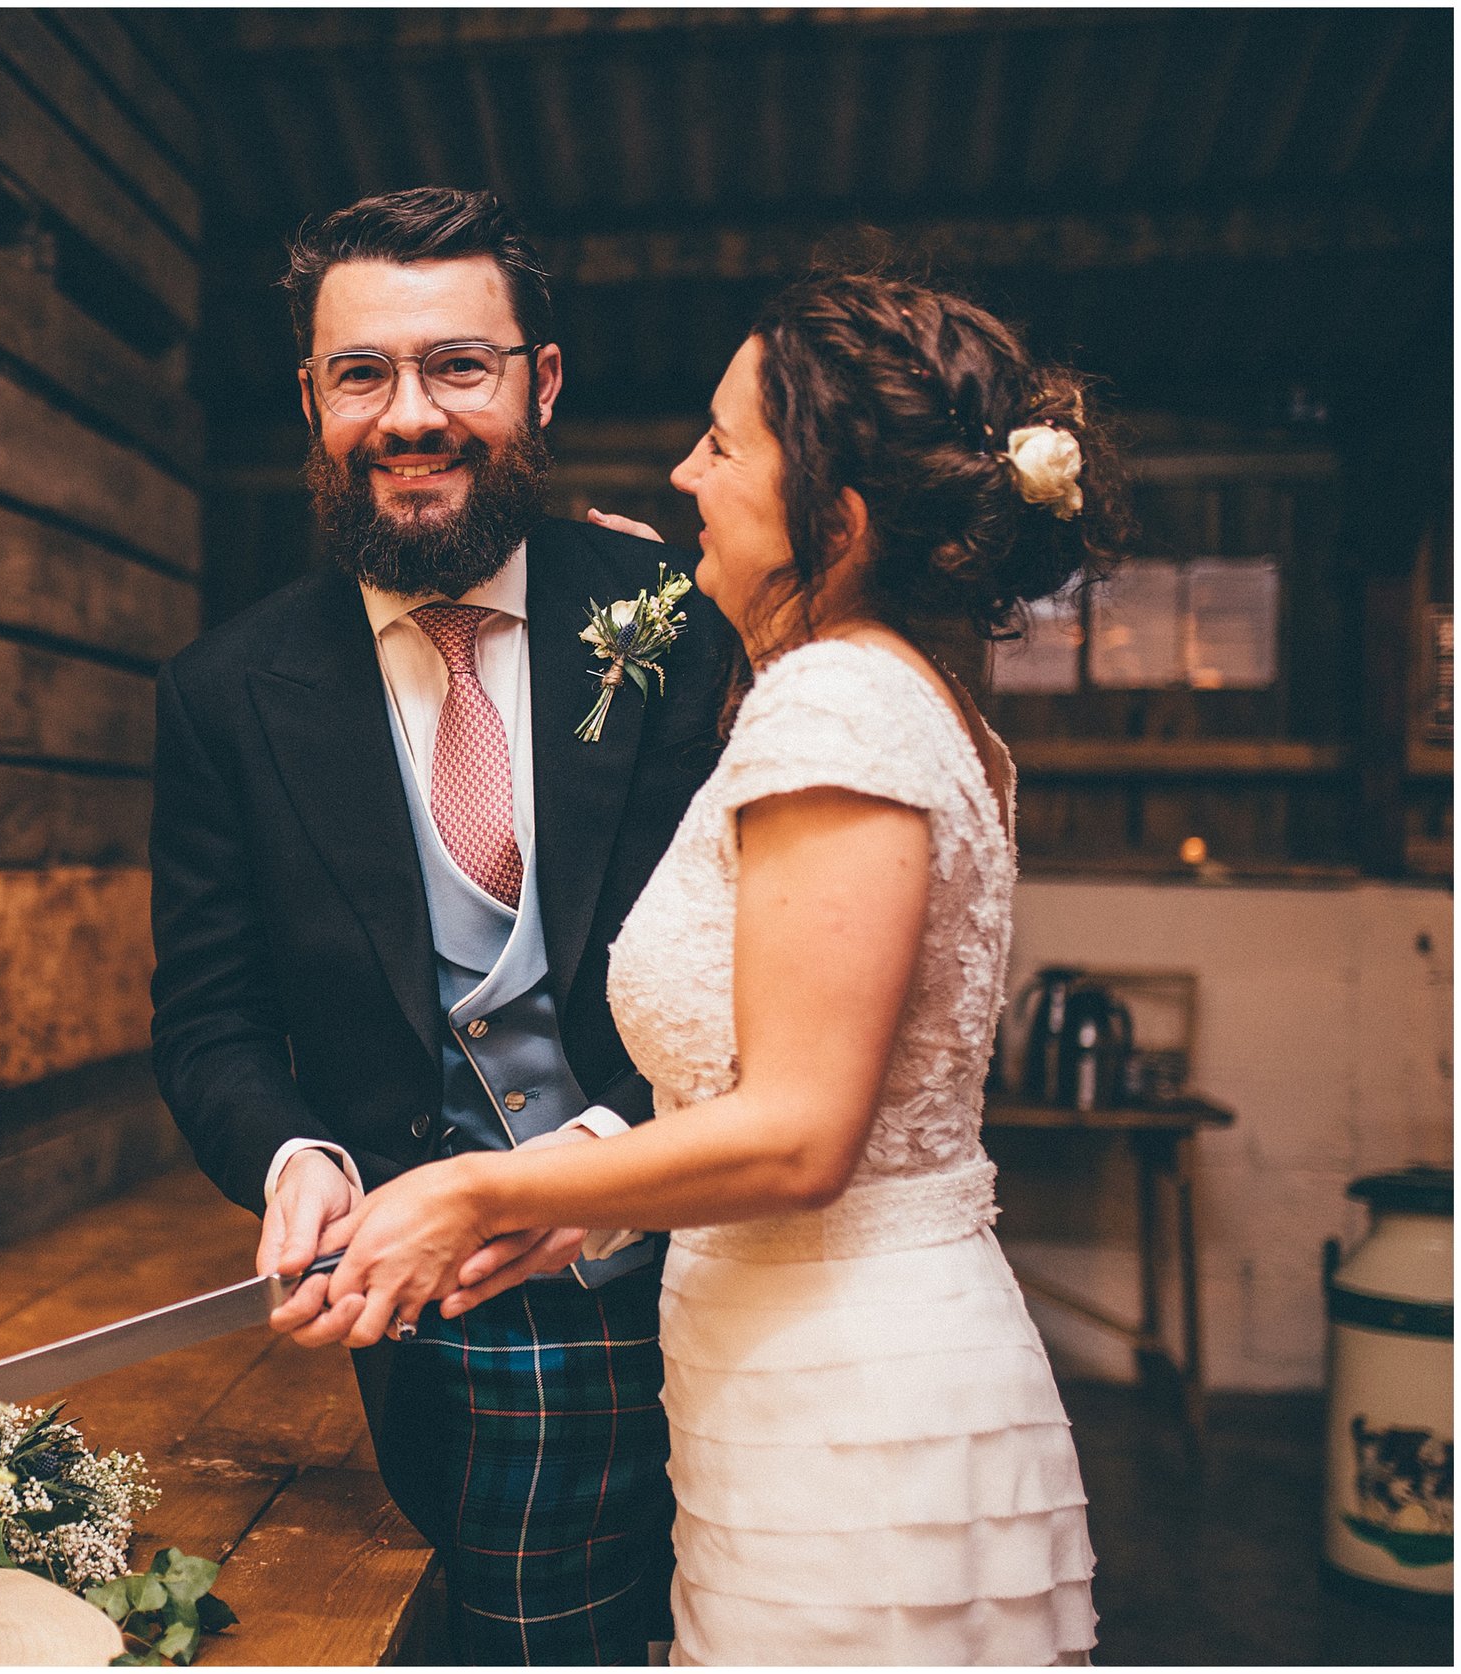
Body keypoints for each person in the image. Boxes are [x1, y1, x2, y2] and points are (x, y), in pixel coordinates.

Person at [311, 272, 1124, 1665]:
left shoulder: (839, 704)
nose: (685, 467)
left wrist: (485, 1182)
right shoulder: (912, 694)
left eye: (726, 442)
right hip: (808, 1374)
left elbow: (805, 1135)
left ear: (839, 519)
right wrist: (599, 1209)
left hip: (852, 1417)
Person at [148, 187, 737, 1663]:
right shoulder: (225, 692)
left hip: (716, 1247)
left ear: (539, 381)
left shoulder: (677, 614)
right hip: (441, 1313)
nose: (410, 414)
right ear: (313, 400)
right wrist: (296, 1153)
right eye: (364, 375)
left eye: (457, 366)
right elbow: (212, 1019)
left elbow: (755, 971)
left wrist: (603, 1168)